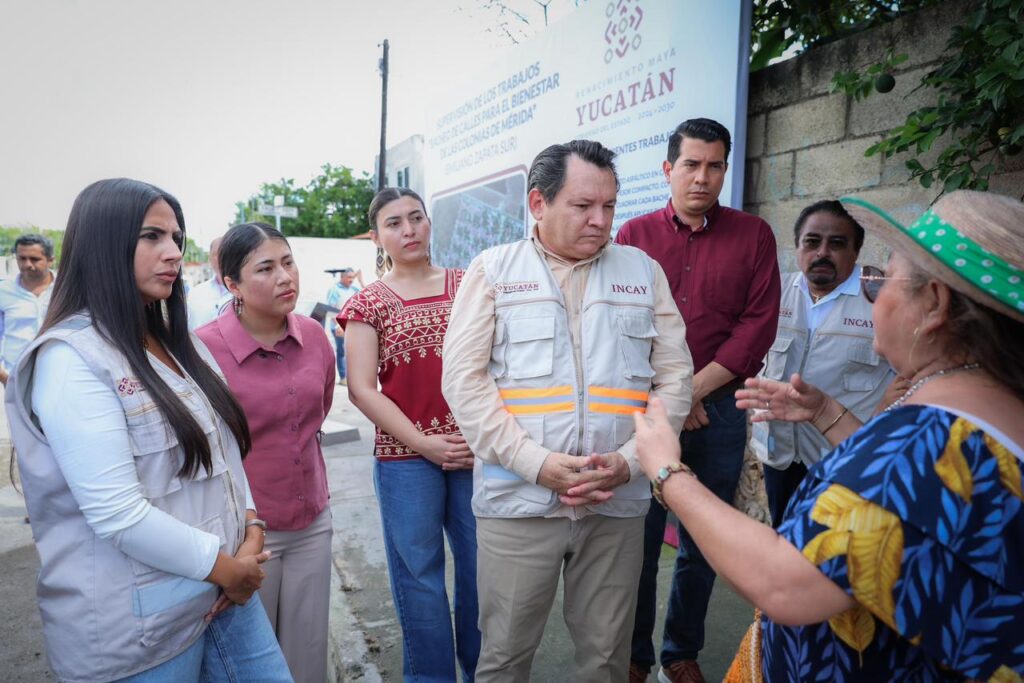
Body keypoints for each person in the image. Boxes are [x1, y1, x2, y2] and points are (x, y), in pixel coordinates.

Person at [634, 190, 1024, 681]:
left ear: (935, 304)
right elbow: (905, 505)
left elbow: (785, 583)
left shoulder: (919, 441)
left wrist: (669, 471)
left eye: (885, 280)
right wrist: (826, 412)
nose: (875, 293)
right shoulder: (989, 408)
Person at [5, 178, 291, 682]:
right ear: (104, 244)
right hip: (141, 629)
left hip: (224, 595)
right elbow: (117, 513)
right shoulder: (73, 359)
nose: (173, 253)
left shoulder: (178, 344)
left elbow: (225, 455)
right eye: (152, 237)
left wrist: (251, 527)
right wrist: (229, 569)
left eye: (177, 239)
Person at [442, 140, 692, 682]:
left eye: (609, 205)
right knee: (504, 657)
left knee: (605, 658)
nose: (600, 220)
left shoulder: (643, 272)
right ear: (538, 203)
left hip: (615, 501)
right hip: (518, 501)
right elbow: (464, 382)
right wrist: (536, 464)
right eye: (582, 206)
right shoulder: (493, 271)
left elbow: (674, 377)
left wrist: (629, 461)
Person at [614, 117, 781, 683]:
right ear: (668, 169)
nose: (702, 177)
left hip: (718, 411)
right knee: (634, 541)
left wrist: (691, 393)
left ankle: (679, 653)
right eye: (691, 164)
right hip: (647, 408)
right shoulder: (632, 237)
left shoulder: (753, 235)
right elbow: (619, 327)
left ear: (725, 171)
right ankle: (634, 656)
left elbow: (756, 326)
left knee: (703, 540)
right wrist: (671, 399)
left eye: (714, 166)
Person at [340, 187, 479, 682]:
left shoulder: (470, 286)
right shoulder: (368, 303)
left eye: (416, 218)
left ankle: (484, 673)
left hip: (472, 453)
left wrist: (478, 440)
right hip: (405, 459)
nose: (409, 230)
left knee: (481, 571)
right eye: (394, 223)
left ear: (429, 222)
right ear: (377, 237)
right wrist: (424, 442)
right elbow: (361, 388)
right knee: (419, 579)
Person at [196, 223, 335, 683]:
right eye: (266, 268)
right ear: (231, 284)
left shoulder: (314, 335)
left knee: (308, 650)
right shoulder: (201, 350)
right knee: (255, 661)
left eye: (288, 262)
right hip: (245, 534)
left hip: (313, 520)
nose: (284, 277)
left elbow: (320, 409)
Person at [753, 200, 900, 527]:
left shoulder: (881, 302)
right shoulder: (772, 294)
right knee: (784, 544)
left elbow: (908, 379)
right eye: (812, 242)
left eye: (837, 244)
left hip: (843, 460)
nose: (822, 252)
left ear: (856, 251)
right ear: (797, 246)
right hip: (781, 457)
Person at [0, 234, 56, 384]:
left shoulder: (64, 290)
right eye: (22, 258)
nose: (27, 264)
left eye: (34, 259)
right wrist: (4, 376)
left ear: (51, 259)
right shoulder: (3, 291)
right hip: (15, 377)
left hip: (57, 374)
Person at [324, 267, 362, 385]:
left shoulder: (355, 289)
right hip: (338, 326)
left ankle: (355, 377)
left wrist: (360, 280)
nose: (351, 280)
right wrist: (339, 326)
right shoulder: (334, 290)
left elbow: (367, 299)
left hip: (352, 326)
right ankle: (343, 377)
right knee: (342, 351)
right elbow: (331, 311)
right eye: (349, 277)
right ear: (342, 277)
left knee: (354, 352)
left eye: (352, 277)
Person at [187, 236, 231, 330]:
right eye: (218, 253)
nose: (223, 258)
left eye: (227, 253)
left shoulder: (247, 292)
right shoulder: (196, 293)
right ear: (209, 258)